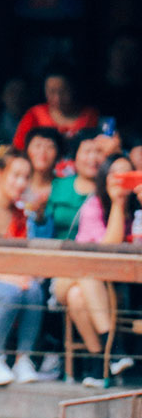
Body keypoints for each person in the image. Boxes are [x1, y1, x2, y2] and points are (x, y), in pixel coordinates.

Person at [56, 153, 142, 386]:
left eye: (127, 173)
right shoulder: (93, 205)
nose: (120, 179)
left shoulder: (137, 205)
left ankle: (99, 364)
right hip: (72, 275)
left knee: (78, 295)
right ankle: (113, 350)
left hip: (100, 282)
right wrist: (117, 203)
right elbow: (106, 251)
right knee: (86, 275)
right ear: (104, 177)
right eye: (115, 173)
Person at [0, 148, 44, 386]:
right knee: (13, 292)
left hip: (7, 277)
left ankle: (23, 358)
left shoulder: (21, 213)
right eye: (15, 175)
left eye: (26, 177)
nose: (21, 182)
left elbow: (24, 255)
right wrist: (9, 276)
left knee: (34, 289)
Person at [12, 63, 99, 151]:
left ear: (73, 89)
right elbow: (18, 148)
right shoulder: (34, 115)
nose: (58, 98)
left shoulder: (89, 115)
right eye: (52, 92)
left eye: (63, 91)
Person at [22, 126, 64, 221]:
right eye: (37, 146)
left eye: (50, 147)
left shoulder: (64, 187)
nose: (42, 152)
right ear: (27, 150)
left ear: (58, 154)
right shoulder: (17, 185)